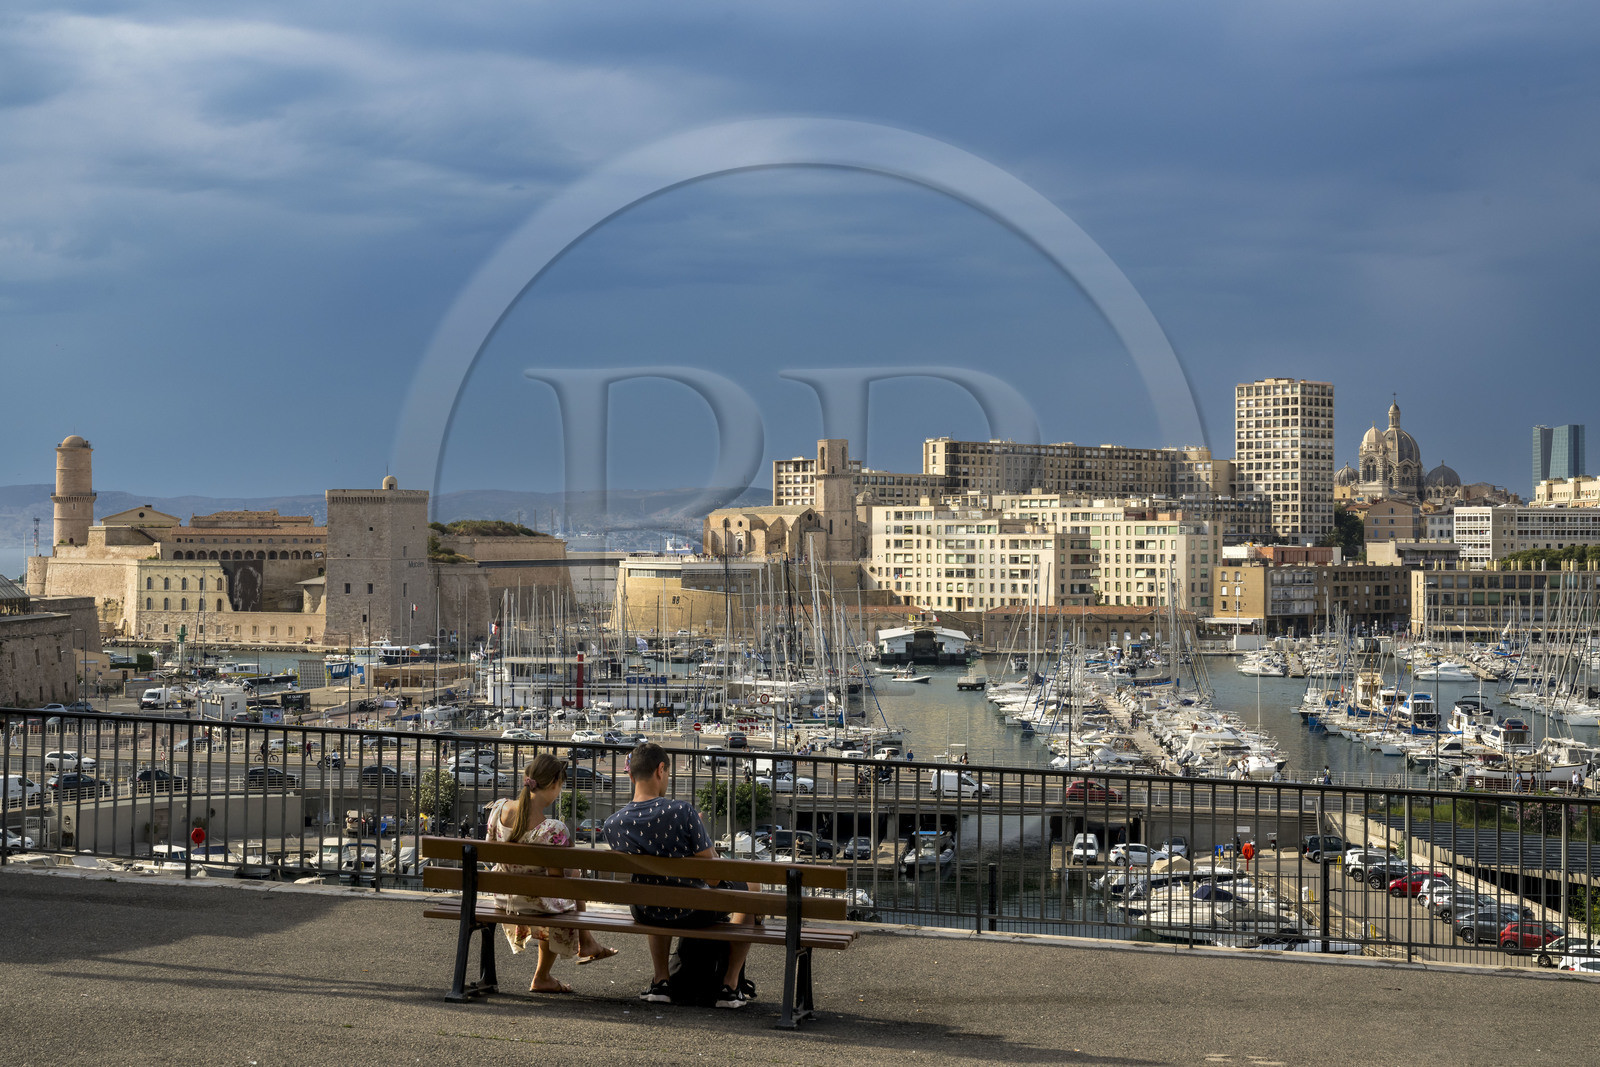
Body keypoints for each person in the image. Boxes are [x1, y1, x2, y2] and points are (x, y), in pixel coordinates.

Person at [603, 742, 754, 1009]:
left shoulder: (613, 824)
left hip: (646, 910)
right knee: (752, 887)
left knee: (653, 889)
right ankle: (730, 987)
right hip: (693, 911)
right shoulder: (682, 812)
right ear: (661, 770)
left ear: (630, 775)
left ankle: (661, 981)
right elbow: (713, 877)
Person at [484, 754, 617, 994]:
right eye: (561, 786)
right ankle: (572, 953)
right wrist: (571, 871)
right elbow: (557, 881)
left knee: (558, 889)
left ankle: (584, 945)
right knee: (569, 883)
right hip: (534, 901)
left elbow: (491, 852)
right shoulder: (554, 829)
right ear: (554, 784)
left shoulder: (498, 809)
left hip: (502, 896)